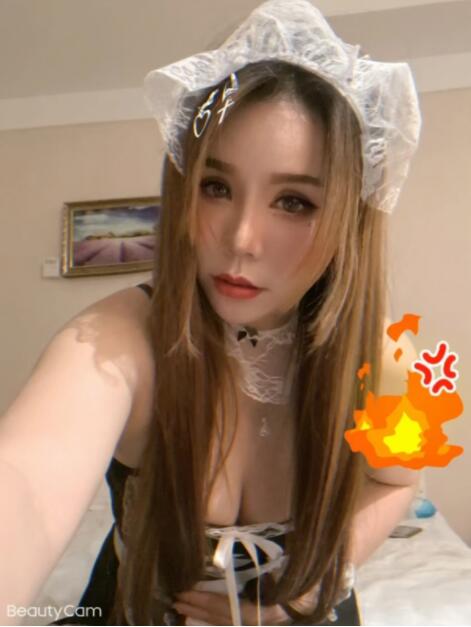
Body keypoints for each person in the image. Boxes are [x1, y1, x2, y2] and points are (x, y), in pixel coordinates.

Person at [0, 0, 424, 625]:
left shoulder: (387, 356)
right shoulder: (121, 338)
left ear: (348, 220)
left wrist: (301, 599)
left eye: (295, 202)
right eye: (216, 187)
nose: (242, 238)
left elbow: (397, 480)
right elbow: (24, 485)